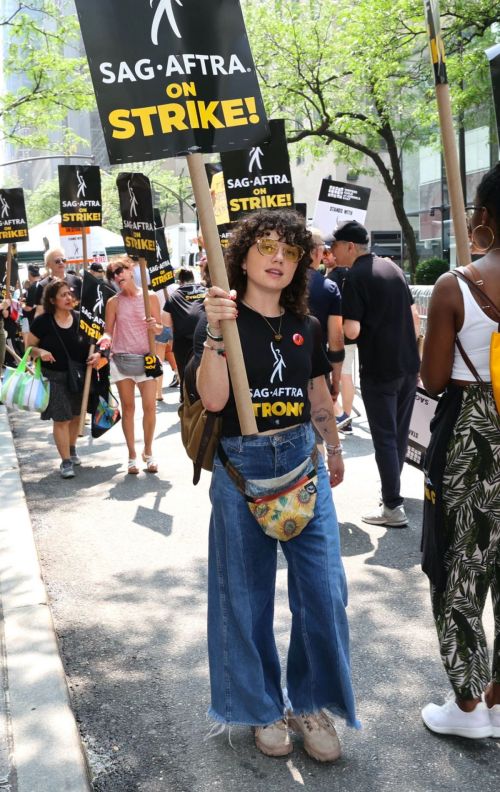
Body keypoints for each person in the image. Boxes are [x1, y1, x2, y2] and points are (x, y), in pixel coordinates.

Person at [195, 209, 359, 762]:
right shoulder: (219, 317)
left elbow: (319, 396)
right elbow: (213, 400)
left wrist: (331, 448)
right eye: (266, 247)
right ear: (241, 257)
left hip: (302, 463)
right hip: (240, 468)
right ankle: (263, 706)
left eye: (289, 252)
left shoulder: (307, 325)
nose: (278, 259)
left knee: (324, 590)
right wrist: (218, 333)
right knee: (245, 597)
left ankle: (310, 703)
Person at [419, 163, 500, 739]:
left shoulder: (456, 286)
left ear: (486, 215)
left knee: (461, 566)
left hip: (474, 430)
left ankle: (469, 705)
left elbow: (434, 378)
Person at [333, 220, 420, 527]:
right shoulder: (392, 268)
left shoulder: (354, 277)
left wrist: (339, 331)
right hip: (409, 364)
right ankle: (391, 495)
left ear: (349, 247)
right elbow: (414, 316)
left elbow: (352, 329)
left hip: (380, 367)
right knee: (397, 434)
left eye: (335, 246)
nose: (332, 253)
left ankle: (393, 507)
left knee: (383, 437)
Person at [27, 279, 100, 478]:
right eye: (63, 295)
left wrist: (98, 354)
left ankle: (72, 447)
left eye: (70, 293)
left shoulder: (81, 319)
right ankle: (65, 462)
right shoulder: (43, 321)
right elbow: (29, 348)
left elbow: (97, 343)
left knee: (76, 415)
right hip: (54, 377)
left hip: (79, 376)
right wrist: (40, 351)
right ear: (52, 300)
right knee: (61, 418)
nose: (69, 298)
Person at [98, 258, 161, 474]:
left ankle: (149, 451)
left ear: (131, 269)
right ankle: (132, 455)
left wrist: (155, 325)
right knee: (128, 408)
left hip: (147, 360)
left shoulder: (150, 297)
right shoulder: (113, 302)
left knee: (150, 407)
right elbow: (108, 329)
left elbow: (160, 329)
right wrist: (105, 339)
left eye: (120, 271)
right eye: (112, 275)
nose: (117, 276)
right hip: (121, 359)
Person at [163, 267, 206, 391]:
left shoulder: (174, 295)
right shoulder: (206, 290)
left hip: (183, 345)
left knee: (186, 380)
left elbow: (166, 322)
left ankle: (187, 404)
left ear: (180, 281)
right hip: (207, 338)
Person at [34, 248, 82, 316]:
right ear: (48, 264)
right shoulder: (43, 285)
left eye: (63, 260)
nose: (61, 263)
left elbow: (84, 304)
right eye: (57, 261)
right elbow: (39, 311)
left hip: (76, 324)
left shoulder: (76, 281)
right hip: (53, 325)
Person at [149, 289, 178, 400]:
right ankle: (183, 390)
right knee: (179, 357)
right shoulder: (175, 287)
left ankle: (159, 393)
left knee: (159, 361)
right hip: (174, 323)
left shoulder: (152, 292)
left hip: (160, 323)